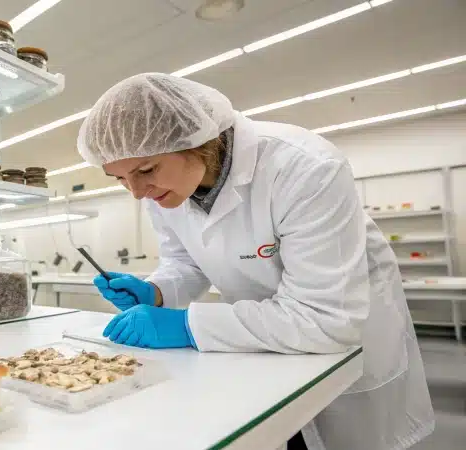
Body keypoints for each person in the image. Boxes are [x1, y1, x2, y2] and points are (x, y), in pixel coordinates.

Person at [77, 73, 434, 450]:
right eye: (119, 178)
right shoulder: (164, 192)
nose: (136, 193)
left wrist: (186, 324)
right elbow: (186, 262)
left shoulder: (305, 168)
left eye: (145, 170)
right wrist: (157, 291)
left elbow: (326, 318)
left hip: (341, 348)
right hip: (261, 343)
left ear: (196, 142)